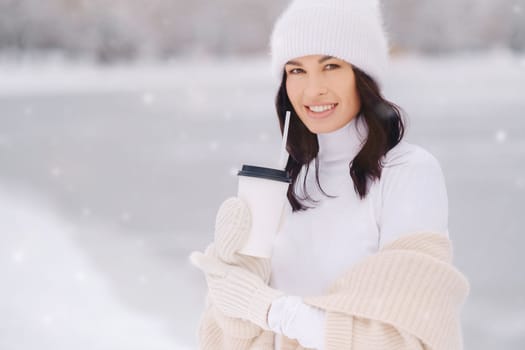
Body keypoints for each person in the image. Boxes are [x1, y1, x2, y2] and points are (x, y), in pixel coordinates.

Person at [190, 0, 470, 349]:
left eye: (331, 66)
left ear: (363, 76)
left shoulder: (408, 173)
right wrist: (232, 286)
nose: (312, 90)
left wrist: (270, 309)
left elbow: (404, 339)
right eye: (296, 71)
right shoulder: (284, 185)